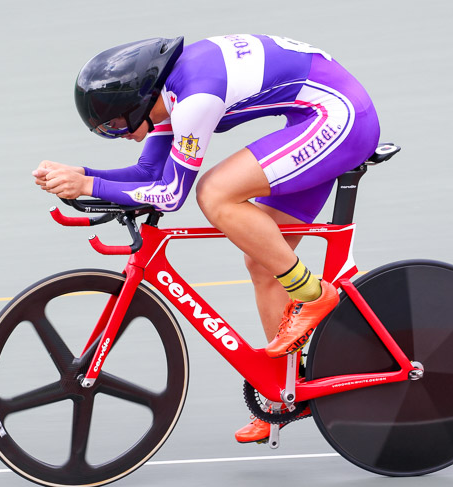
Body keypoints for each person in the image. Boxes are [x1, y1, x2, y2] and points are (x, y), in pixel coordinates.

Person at [33, 35, 380, 444]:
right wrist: (82, 175)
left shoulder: (195, 97)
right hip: (315, 117)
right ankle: (281, 396)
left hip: (341, 118)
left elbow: (172, 194)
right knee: (263, 262)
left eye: (116, 124)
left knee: (214, 192)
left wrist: (88, 183)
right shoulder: (167, 97)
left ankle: (312, 294)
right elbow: (149, 175)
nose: (119, 134)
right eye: (106, 131)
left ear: (141, 102)